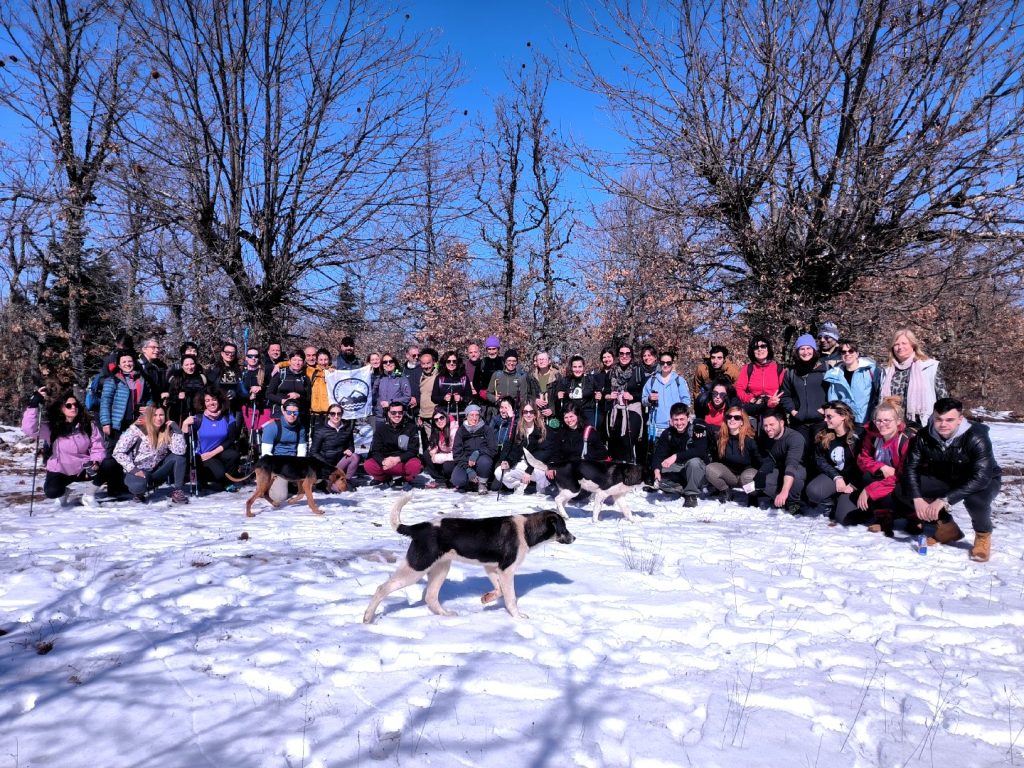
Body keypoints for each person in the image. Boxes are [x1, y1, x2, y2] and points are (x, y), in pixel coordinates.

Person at [899, 397, 1001, 562]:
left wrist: (944, 500)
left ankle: (983, 536)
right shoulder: (923, 436)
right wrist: (917, 498)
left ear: (960, 419)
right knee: (906, 488)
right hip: (946, 478)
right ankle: (946, 529)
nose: (943, 424)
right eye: (938, 419)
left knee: (975, 500)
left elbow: (981, 477)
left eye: (949, 420)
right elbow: (911, 468)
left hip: (983, 480)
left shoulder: (976, 437)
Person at [22, 388, 112, 507]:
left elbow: (98, 447)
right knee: (52, 492)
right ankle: (64, 493)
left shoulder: (87, 425)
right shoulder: (51, 427)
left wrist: (95, 461)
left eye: (75, 405)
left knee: (110, 464)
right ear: (61, 408)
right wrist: (34, 404)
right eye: (68, 405)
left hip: (83, 468)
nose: (73, 407)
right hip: (60, 469)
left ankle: (89, 495)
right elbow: (29, 429)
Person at [854, 397, 912, 533]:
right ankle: (884, 517)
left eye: (887, 420)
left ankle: (913, 517)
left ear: (898, 421)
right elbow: (862, 459)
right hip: (887, 479)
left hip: (903, 482)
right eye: (879, 420)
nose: (882, 424)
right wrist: (880, 467)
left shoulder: (906, 441)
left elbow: (905, 474)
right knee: (868, 476)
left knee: (900, 488)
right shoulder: (873, 436)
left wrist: (870, 490)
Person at [112, 405, 189, 504]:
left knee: (179, 458)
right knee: (139, 486)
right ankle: (139, 493)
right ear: (149, 416)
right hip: (138, 471)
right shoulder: (136, 430)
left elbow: (180, 451)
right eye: (154, 415)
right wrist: (134, 470)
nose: (158, 418)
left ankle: (178, 492)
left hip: (157, 471)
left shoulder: (166, 430)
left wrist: (177, 431)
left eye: (161, 415)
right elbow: (118, 452)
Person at [805, 401, 864, 522]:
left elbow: (865, 465)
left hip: (856, 481)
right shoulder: (825, 434)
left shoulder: (860, 434)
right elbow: (819, 459)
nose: (825, 420)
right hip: (836, 477)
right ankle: (830, 501)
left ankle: (843, 501)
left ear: (843, 416)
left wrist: (854, 485)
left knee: (844, 518)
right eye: (825, 416)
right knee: (813, 491)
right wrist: (836, 477)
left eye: (829, 417)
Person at [880, 328, 948, 429]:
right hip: (894, 425)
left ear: (913, 345)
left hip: (922, 423)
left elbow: (943, 399)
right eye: (896, 344)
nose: (900, 347)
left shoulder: (929, 367)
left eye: (904, 343)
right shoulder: (887, 371)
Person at [538, 403, 610, 497]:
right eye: (566, 417)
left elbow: (603, 453)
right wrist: (552, 466)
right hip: (569, 471)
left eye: (571, 416)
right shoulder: (562, 433)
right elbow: (556, 452)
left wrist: (588, 455)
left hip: (585, 472)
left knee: (576, 496)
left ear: (578, 415)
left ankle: (587, 491)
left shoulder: (589, 431)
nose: (569, 420)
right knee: (550, 474)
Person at [780, 334, 829, 467]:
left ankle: (819, 485)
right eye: (802, 349)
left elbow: (833, 392)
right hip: (799, 423)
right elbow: (785, 395)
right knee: (801, 457)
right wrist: (793, 411)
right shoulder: (791, 372)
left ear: (814, 350)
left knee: (820, 456)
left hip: (820, 422)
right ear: (797, 351)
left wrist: (826, 409)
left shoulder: (824, 369)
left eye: (809, 348)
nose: (805, 352)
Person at [182, 387, 241, 493]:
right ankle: (207, 480)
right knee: (219, 474)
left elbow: (231, 440)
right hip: (203, 456)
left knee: (234, 455)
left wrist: (213, 453)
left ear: (219, 400)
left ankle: (227, 482)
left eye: (214, 399)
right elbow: (185, 441)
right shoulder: (198, 419)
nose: (211, 403)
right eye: (207, 400)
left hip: (218, 452)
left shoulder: (228, 418)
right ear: (203, 403)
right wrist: (185, 425)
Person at [651, 404, 710, 507]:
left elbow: (700, 451)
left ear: (688, 417)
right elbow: (658, 454)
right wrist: (656, 470)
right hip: (679, 468)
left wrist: (675, 456)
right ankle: (683, 488)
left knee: (694, 462)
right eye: (676, 419)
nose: (679, 423)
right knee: (658, 472)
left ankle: (691, 494)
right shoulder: (667, 433)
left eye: (682, 419)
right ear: (671, 419)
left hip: (697, 469)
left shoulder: (697, 430)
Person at [752, 409, 806, 514]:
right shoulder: (765, 436)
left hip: (796, 466)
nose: (768, 429)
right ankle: (777, 497)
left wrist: (785, 491)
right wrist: (761, 473)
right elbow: (766, 457)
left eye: (772, 424)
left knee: (796, 479)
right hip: (778, 466)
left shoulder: (795, 438)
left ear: (781, 423)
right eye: (765, 425)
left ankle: (793, 502)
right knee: (763, 481)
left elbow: (791, 465)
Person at [705, 405, 762, 503]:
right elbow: (705, 425)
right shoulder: (720, 437)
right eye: (729, 417)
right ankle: (725, 491)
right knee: (710, 469)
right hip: (730, 476)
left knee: (747, 478)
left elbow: (759, 461)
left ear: (742, 422)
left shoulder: (750, 440)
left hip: (746, 475)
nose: (732, 419)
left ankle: (752, 495)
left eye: (737, 417)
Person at [99, 350, 153, 450]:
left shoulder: (141, 379)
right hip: (117, 425)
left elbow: (149, 398)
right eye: (124, 362)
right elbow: (105, 402)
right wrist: (106, 423)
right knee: (116, 452)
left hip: (137, 422)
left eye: (130, 361)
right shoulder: (113, 380)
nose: (127, 364)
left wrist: (149, 407)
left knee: (136, 451)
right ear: (119, 365)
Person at [365, 403, 422, 489]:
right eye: (393, 413)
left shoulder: (411, 427)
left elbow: (413, 450)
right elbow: (375, 450)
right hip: (386, 462)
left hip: (403, 461)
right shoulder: (381, 428)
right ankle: (386, 479)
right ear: (388, 413)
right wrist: (383, 461)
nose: (397, 415)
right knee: (369, 465)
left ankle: (405, 479)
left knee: (416, 465)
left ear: (403, 413)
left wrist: (397, 459)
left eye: (400, 412)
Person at [823, 339, 880, 425]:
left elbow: (879, 394)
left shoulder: (870, 371)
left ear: (857, 354)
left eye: (851, 351)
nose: (847, 354)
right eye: (843, 352)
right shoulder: (835, 375)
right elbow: (833, 401)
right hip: (846, 423)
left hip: (868, 421)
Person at [497, 403, 549, 495]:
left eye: (531, 412)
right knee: (498, 472)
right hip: (521, 463)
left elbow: (542, 454)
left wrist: (529, 470)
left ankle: (541, 488)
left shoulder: (542, 430)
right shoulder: (518, 429)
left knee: (542, 473)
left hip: (536, 465)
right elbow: (514, 450)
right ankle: (519, 484)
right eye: (525, 412)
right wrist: (508, 462)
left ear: (535, 414)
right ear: (522, 413)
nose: (528, 415)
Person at [606, 343, 645, 462]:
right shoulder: (612, 372)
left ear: (631, 355)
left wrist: (632, 396)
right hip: (616, 409)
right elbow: (606, 392)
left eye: (627, 353)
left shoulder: (638, 371)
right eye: (621, 353)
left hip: (633, 409)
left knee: (628, 441)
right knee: (615, 441)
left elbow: (644, 393)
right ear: (618, 355)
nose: (624, 356)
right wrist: (609, 395)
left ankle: (629, 472)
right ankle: (616, 472)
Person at [642, 351, 692, 437]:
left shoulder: (679, 381)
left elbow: (686, 401)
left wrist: (678, 418)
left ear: (672, 364)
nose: (665, 365)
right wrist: (649, 399)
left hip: (675, 426)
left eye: (668, 363)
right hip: (656, 427)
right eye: (662, 363)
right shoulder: (652, 380)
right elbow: (643, 400)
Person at [310, 403, 358, 490]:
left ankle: (346, 480)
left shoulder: (347, 429)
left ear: (342, 415)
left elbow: (352, 446)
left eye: (339, 414)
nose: (336, 416)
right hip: (326, 465)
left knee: (355, 457)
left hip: (339, 464)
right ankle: (327, 483)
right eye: (333, 414)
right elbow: (313, 452)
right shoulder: (320, 430)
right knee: (334, 489)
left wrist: (350, 450)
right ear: (328, 415)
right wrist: (326, 464)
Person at [451, 404, 498, 493]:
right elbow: (457, 453)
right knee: (457, 480)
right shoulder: (461, 431)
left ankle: (482, 484)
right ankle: (470, 482)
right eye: (471, 415)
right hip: (465, 461)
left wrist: (477, 453)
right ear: (466, 416)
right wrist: (467, 469)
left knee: (485, 461)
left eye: (477, 415)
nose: (474, 418)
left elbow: (493, 449)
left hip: (482, 459)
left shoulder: (486, 429)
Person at [735, 335, 784, 421]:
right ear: (752, 351)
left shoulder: (778, 368)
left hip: (774, 408)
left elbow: (784, 390)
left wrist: (776, 400)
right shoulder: (747, 368)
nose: (760, 349)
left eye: (763, 346)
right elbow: (739, 389)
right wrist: (751, 399)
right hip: (754, 408)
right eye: (756, 347)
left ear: (768, 348)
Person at [266, 351, 311, 417]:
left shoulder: (305, 378)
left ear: (303, 362)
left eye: (300, 360)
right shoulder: (280, 374)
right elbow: (268, 394)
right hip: (279, 413)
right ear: (289, 361)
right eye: (294, 360)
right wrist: (282, 401)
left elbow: (308, 399)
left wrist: (299, 396)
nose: (297, 363)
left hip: (297, 415)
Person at [166, 354, 207, 425]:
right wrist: (178, 396)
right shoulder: (176, 378)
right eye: (186, 365)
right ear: (182, 366)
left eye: (192, 364)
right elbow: (170, 398)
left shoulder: (202, 377)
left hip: (199, 412)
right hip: (180, 413)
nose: (190, 367)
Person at [555, 355, 595, 425]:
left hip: (588, 414)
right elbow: (558, 399)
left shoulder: (590, 379)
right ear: (571, 368)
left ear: (583, 367)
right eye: (575, 367)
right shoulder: (566, 381)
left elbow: (599, 394)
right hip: (572, 415)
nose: (577, 369)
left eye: (580, 367)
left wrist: (599, 395)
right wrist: (558, 396)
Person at [374, 352, 413, 423]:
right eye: (385, 362)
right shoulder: (379, 378)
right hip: (380, 416)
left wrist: (390, 403)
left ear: (395, 363)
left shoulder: (401, 377)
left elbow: (407, 397)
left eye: (391, 361)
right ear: (382, 365)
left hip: (396, 416)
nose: (388, 363)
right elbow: (372, 394)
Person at [207, 341, 244, 414]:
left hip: (236, 407)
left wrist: (236, 392)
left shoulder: (239, 370)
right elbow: (209, 388)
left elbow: (242, 388)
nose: (230, 355)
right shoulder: (215, 369)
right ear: (222, 354)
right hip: (220, 407)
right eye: (227, 352)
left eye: (232, 353)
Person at [432, 350, 472, 418]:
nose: (451, 363)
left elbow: (469, 397)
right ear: (444, 362)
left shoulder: (464, 378)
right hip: (443, 415)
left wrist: (461, 398)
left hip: (460, 414)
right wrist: (443, 398)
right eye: (448, 361)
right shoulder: (440, 378)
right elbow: (434, 397)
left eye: (454, 361)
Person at [425, 411, 459, 487]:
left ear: (446, 418)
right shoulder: (438, 430)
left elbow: (457, 453)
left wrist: (439, 457)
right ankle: (440, 480)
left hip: (456, 458)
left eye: (441, 418)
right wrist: (434, 449)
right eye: (436, 420)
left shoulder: (454, 431)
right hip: (446, 454)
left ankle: (452, 480)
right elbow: (437, 444)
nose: (439, 421)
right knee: (427, 454)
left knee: (447, 466)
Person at [530, 350, 560, 426]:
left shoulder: (557, 376)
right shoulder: (530, 377)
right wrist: (534, 400)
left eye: (544, 359)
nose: (541, 361)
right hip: (536, 415)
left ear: (549, 361)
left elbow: (560, 398)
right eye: (539, 359)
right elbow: (526, 394)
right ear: (536, 362)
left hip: (552, 416)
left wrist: (552, 410)